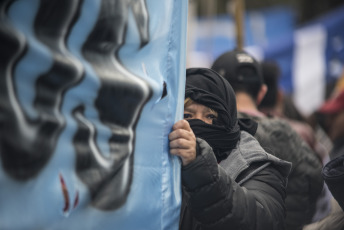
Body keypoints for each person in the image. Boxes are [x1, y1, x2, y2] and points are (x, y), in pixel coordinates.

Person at [211, 50, 324, 230]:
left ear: (213, 92)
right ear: (262, 92)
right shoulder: (294, 133)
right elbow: (318, 184)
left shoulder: (211, 134)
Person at [169, 68, 291, 230]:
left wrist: (200, 167)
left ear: (227, 120)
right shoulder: (159, 157)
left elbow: (265, 220)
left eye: (210, 116)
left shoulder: (254, 165)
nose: (199, 125)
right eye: (187, 116)